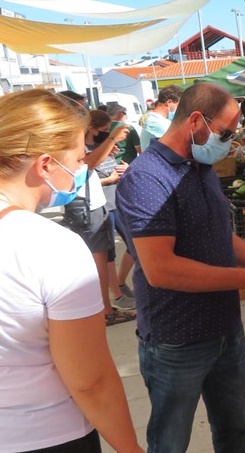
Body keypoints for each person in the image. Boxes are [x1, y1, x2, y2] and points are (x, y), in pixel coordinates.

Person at [117, 82, 245, 452]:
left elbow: (221, 237)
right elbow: (161, 269)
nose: (230, 140)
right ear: (196, 121)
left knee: (234, 432)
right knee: (170, 441)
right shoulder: (147, 178)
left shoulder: (201, 167)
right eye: (226, 132)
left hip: (226, 329)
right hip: (177, 337)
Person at [0, 89, 143, 453]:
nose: (82, 169)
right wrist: (130, 447)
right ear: (45, 164)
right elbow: (89, 379)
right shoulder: (49, 246)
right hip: (46, 434)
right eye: (79, 160)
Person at [70, 109, 134, 325]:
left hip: (95, 205)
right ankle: (105, 311)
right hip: (86, 207)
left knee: (105, 257)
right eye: (104, 131)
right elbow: (89, 164)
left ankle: (108, 305)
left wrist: (108, 146)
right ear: (91, 128)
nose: (105, 134)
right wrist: (112, 138)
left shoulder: (87, 145)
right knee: (97, 261)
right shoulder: (75, 145)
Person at [106, 104, 139, 299]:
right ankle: (119, 286)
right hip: (120, 184)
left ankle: (118, 287)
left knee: (116, 245)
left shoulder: (103, 135)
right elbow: (142, 151)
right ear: (121, 114)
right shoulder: (126, 128)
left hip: (112, 188)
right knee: (132, 239)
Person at [139, 84, 183, 150]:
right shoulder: (156, 122)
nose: (178, 109)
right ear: (169, 102)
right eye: (177, 106)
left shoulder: (155, 119)